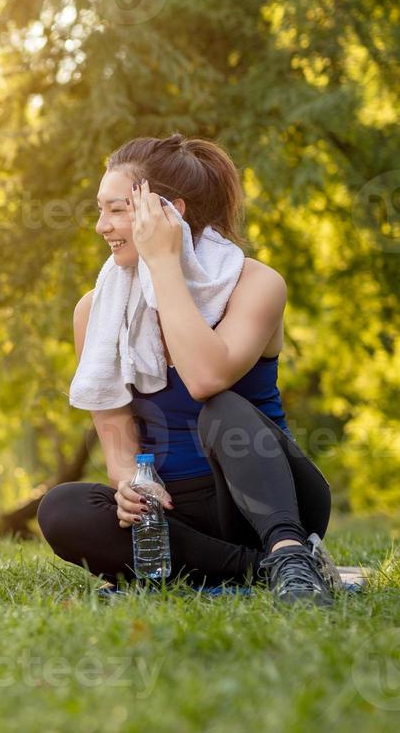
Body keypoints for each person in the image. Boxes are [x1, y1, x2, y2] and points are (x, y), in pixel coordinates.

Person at [37, 135, 339, 604]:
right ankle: (262, 570)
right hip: (174, 512)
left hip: (269, 502)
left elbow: (204, 379)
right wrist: (129, 486)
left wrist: (163, 263)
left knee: (219, 409)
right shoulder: (96, 310)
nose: (102, 226)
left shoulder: (256, 284)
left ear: (169, 213)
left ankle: (287, 550)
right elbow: (116, 434)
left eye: (117, 210)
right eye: (101, 210)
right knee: (62, 508)